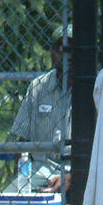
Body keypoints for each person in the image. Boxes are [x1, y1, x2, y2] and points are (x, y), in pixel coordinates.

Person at [10, 25, 72, 193]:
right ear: (52, 53)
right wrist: (20, 182)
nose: (69, 55)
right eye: (62, 49)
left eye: (74, 49)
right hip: (41, 170)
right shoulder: (38, 87)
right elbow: (22, 140)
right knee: (9, 198)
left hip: (81, 172)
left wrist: (73, 176)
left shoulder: (94, 88)